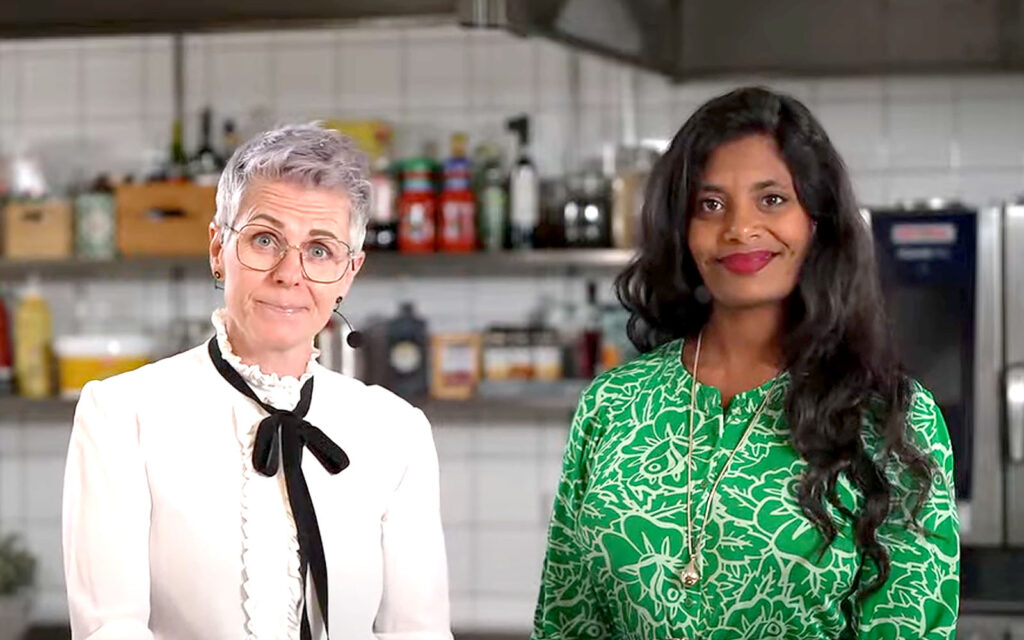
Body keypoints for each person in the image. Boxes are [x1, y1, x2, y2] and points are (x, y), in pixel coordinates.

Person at [532, 87, 959, 639]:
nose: (739, 228)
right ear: (682, 231)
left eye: (772, 200)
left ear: (818, 221)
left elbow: (909, 626)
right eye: (710, 205)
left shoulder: (890, 417)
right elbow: (567, 620)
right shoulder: (613, 404)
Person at [62, 124, 452, 640]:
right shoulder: (121, 413)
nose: (291, 273)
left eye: (320, 250)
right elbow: (110, 630)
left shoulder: (397, 431)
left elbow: (418, 634)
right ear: (217, 248)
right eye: (265, 240)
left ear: (349, 272)